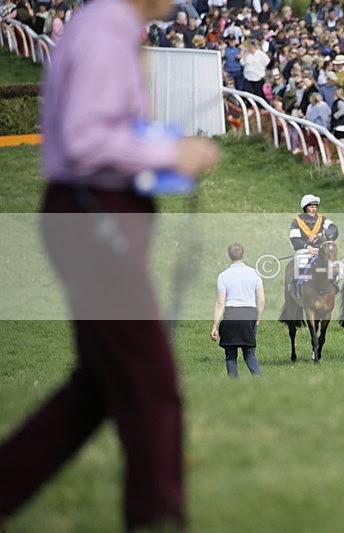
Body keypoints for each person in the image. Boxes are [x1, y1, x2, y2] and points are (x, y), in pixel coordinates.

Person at [0, 0, 221, 527]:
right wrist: (171, 153)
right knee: (150, 380)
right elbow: (84, 138)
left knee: (97, 387)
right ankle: (158, 517)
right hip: (92, 213)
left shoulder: (108, 29)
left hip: (93, 212)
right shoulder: (104, 35)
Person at [211, 243, 265, 377]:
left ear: (229, 256)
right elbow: (262, 300)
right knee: (250, 354)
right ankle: (259, 380)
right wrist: (257, 318)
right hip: (249, 316)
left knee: (230, 356)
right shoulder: (254, 274)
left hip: (230, 316)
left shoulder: (223, 276)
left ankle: (233, 386)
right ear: (243, 255)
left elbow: (220, 303)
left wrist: (214, 326)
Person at [288, 194, 339, 296]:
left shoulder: (322, 219)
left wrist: (322, 234)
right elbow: (295, 241)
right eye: (311, 207)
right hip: (304, 250)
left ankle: (335, 283)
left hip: (320, 250)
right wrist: (308, 247)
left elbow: (334, 228)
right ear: (305, 207)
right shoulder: (296, 221)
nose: (314, 209)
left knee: (332, 264)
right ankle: (293, 285)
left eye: (315, 207)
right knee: (301, 263)